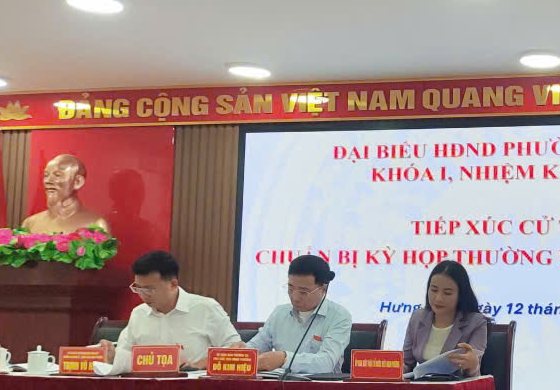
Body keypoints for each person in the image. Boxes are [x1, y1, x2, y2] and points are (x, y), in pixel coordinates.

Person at [97, 250, 240, 372]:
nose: (143, 295)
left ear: (173, 284)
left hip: (194, 387)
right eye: (138, 288)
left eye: (149, 289)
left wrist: (199, 364)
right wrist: (112, 355)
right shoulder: (138, 313)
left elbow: (236, 349)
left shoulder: (206, 308)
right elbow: (124, 353)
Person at [236, 255, 351, 374]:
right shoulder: (279, 313)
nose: (295, 297)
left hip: (321, 385)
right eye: (290, 289)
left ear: (323, 289)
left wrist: (284, 359)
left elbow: (326, 363)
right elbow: (257, 347)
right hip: (277, 384)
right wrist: (242, 352)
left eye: (303, 292)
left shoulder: (339, 316)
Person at [401, 260, 488, 376]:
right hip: (422, 385)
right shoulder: (418, 317)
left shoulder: (476, 322)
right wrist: (393, 369)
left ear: (461, 294)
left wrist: (473, 365)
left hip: (457, 385)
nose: (438, 298)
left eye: (447, 293)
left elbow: (472, 372)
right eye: (434, 290)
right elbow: (407, 363)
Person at [22, 153, 111, 234]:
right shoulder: (30, 224)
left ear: (77, 182)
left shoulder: (96, 225)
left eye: (57, 175)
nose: (48, 181)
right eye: (46, 175)